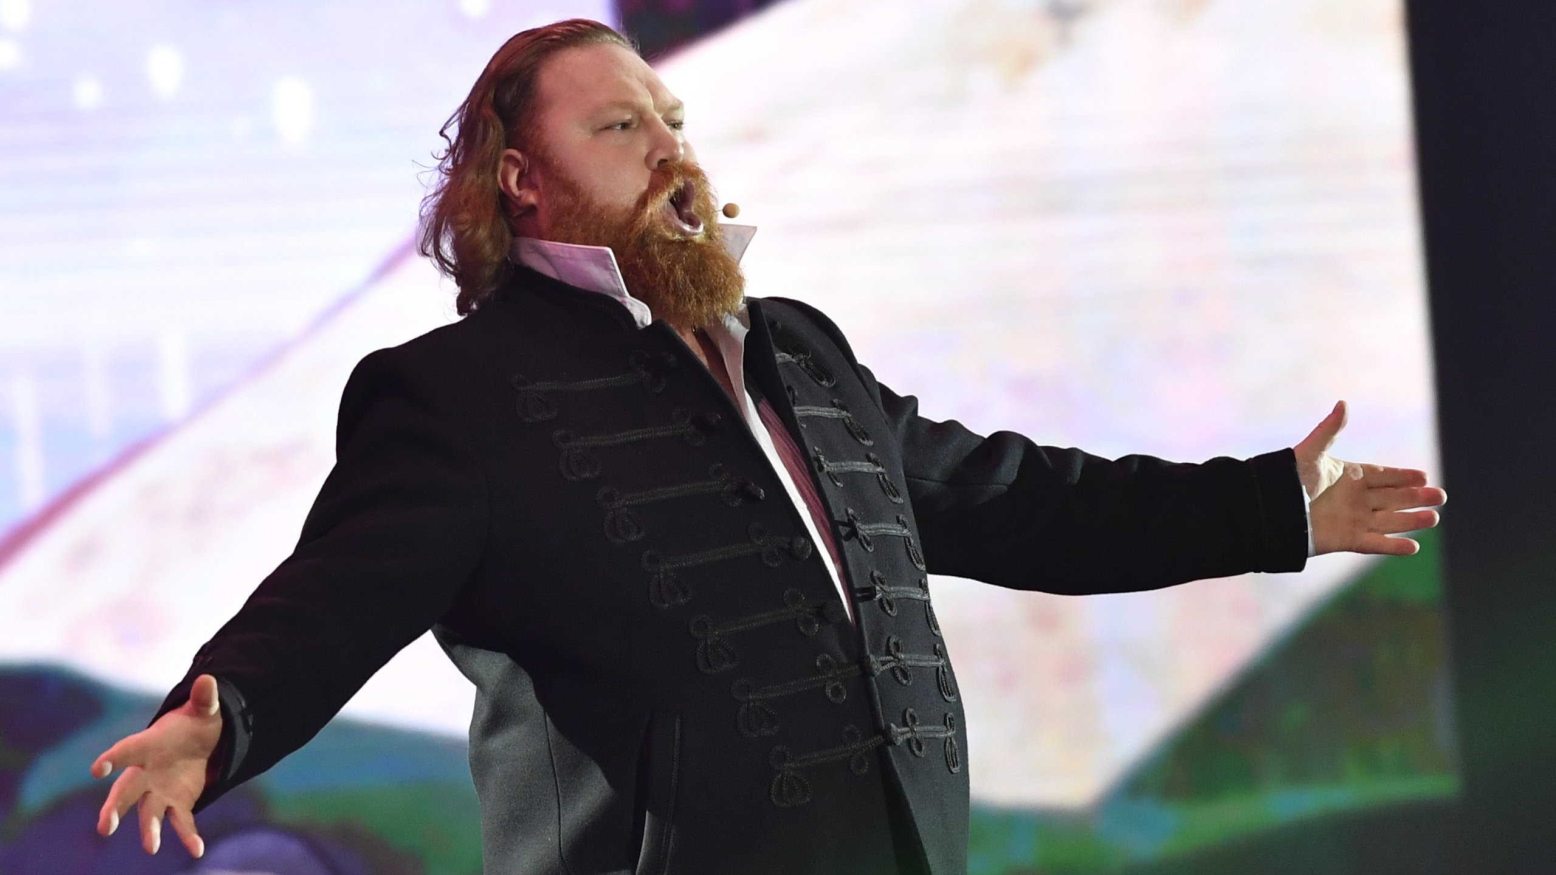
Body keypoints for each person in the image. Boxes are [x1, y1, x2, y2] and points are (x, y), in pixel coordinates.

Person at [89, 18, 1446, 875]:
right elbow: (341, 594)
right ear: (522, 180)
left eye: (672, 121)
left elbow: (1015, 500)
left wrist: (1271, 509)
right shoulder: (459, 395)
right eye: (619, 126)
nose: (668, 148)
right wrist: (222, 719)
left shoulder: (795, 349)